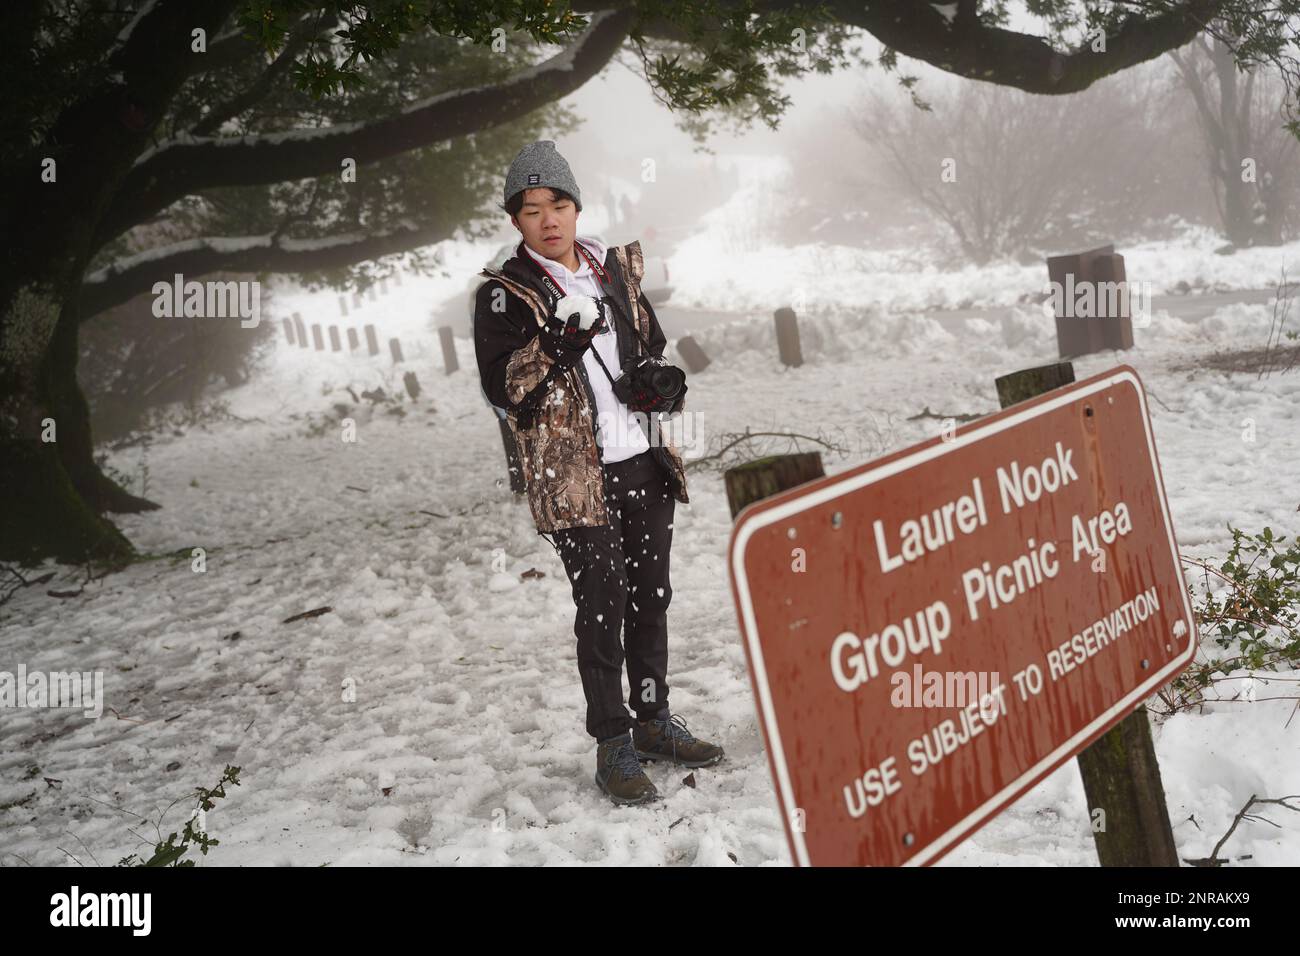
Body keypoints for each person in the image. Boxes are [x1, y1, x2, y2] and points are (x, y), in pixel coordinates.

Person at [473, 140, 724, 806]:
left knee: (651, 601)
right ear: (516, 221)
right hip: (573, 481)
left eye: (558, 203)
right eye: (531, 210)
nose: (548, 219)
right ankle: (612, 746)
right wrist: (554, 343)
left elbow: (650, 347)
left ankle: (653, 722)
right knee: (602, 605)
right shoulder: (504, 297)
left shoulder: (612, 273)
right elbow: (502, 390)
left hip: (640, 460)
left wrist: (658, 385)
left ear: (576, 206)